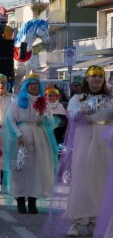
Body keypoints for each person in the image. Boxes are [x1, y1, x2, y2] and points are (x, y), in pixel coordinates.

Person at [57, 65, 113, 237]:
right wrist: (82, 110)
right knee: (82, 180)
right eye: (93, 76)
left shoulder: (110, 99)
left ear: (103, 80)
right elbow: (71, 115)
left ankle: (97, 219)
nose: (96, 79)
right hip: (84, 141)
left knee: (102, 182)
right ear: (87, 79)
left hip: (105, 144)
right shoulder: (78, 98)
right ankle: (77, 220)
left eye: (99, 76)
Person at [3, 73, 57, 214]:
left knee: (37, 169)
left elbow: (50, 121)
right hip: (22, 137)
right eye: (31, 85)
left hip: (39, 137)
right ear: (26, 87)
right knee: (21, 168)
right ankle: (21, 200)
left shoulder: (42, 102)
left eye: (36, 85)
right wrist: (18, 134)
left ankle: (33, 201)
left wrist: (45, 116)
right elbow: (10, 119)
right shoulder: (18, 102)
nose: (33, 87)